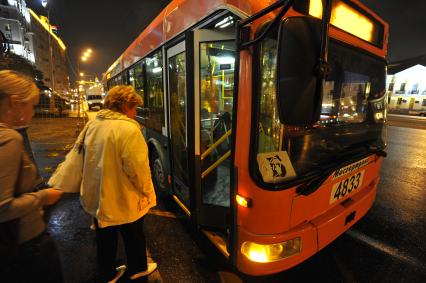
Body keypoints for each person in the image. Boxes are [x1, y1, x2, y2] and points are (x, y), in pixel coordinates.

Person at [79, 85, 157, 282]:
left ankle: (108, 274)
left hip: (99, 195)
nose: (135, 113)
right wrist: (148, 192)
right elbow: (138, 169)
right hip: (124, 196)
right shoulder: (129, 129)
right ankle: (138, 268)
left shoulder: (93, 125)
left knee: (105, 237)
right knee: (134, 235)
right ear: (125, 107)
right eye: (134, 108)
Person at [0, 70, 64, 282]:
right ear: (14, 102)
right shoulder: (9, 138)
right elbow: (3, 207)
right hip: (26, 245)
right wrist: (44, 197)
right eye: (31, 105)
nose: (33, 113)